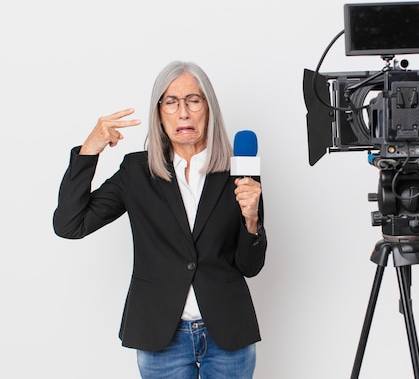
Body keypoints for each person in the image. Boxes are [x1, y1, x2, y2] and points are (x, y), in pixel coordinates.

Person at [53, 61, 267, 379]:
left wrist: (252, 220)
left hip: (228, 332)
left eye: (193, 100)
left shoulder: (238, 170)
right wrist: (90, 150)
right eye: (171, 102)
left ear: (209, 108)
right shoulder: (136, 172)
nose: (183, 113)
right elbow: (71, 224)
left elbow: (250, 266)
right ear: (159, 113)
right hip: (160, 334)